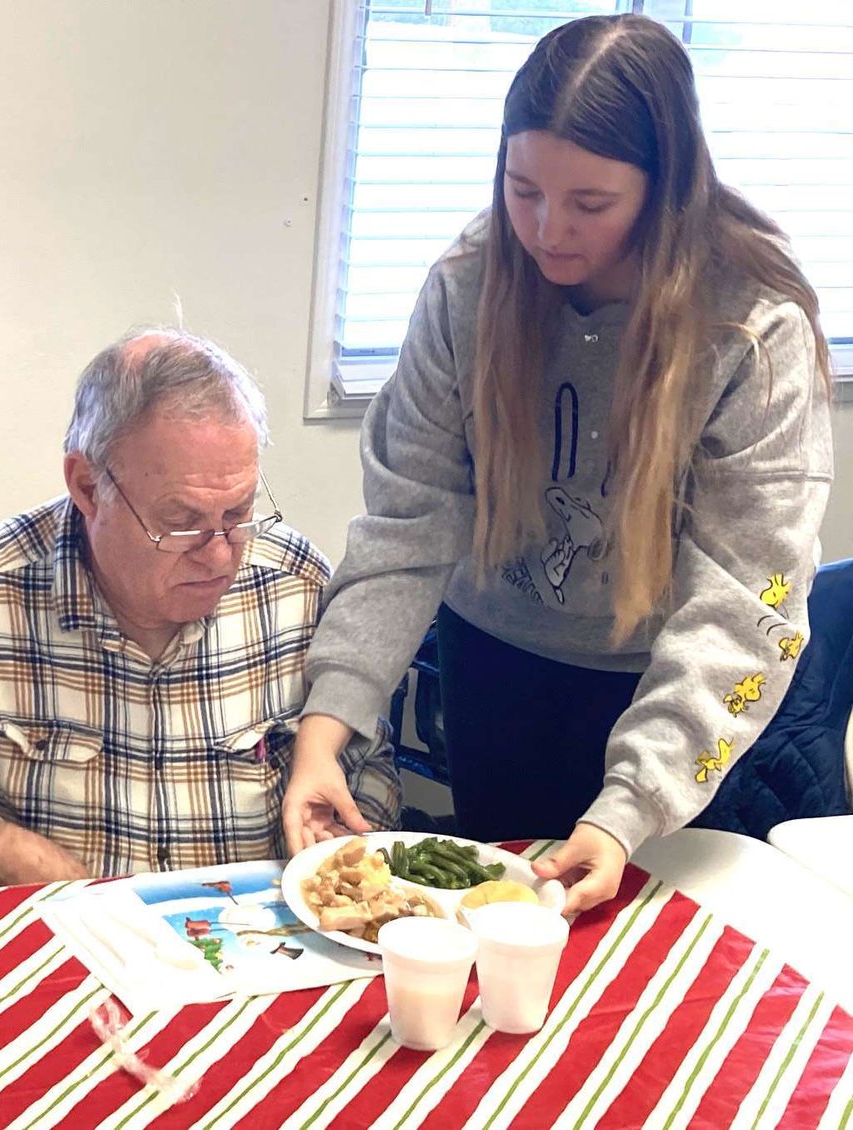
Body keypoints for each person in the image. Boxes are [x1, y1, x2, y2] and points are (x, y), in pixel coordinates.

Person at [283, 14, 835, 916]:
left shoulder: (750, 324)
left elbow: (745, 600)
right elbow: (406, 522)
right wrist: (327, 726)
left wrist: (630, 808)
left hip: (671, 682)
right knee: (497, 928)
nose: (547, 229)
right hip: (496, 666)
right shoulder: (468, 287)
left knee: (639, 945)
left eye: (591, 203)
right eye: (523, 189)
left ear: (666, 189)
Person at [0, 329, 399, 897]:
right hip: (58, 934)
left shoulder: (295, 586)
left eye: (238, 512)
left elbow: (368, 770)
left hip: (256, 931)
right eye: (180, 522)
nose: (220, 555)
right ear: (87, 486)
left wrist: (345, 844)